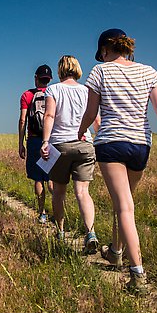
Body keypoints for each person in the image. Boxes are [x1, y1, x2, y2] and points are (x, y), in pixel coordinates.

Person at [77, 28, 157, 294]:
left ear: (104, 50)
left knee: (124, 207)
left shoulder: (99, 71)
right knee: (124, 204)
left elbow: (91, 111)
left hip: (111, 143)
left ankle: (137, 276)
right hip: (140, 145)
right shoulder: (149, 71)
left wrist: (81, 129)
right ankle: (115, 251)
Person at [40, 55, 101, 253]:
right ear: (77, 69)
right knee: (83, 192)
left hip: (60, 145)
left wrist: (45, 142)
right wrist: (98, 141)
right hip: (85, 144)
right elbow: (96, 119)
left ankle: (60, 231)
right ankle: (90, 232)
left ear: (60, 70)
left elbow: (49, 115)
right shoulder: (87, 91)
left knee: (59, 191)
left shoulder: (54, 89)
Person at [19, 64, 54, 224]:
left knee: (38, 179)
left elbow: (22, 120)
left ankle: (43, 213)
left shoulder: (27, 95)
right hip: (51, 140)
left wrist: (21, 143)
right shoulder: (54, 93)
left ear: (35, 78)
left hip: (34, 140)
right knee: (52, 178)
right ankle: (59, 211)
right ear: (49, 80)